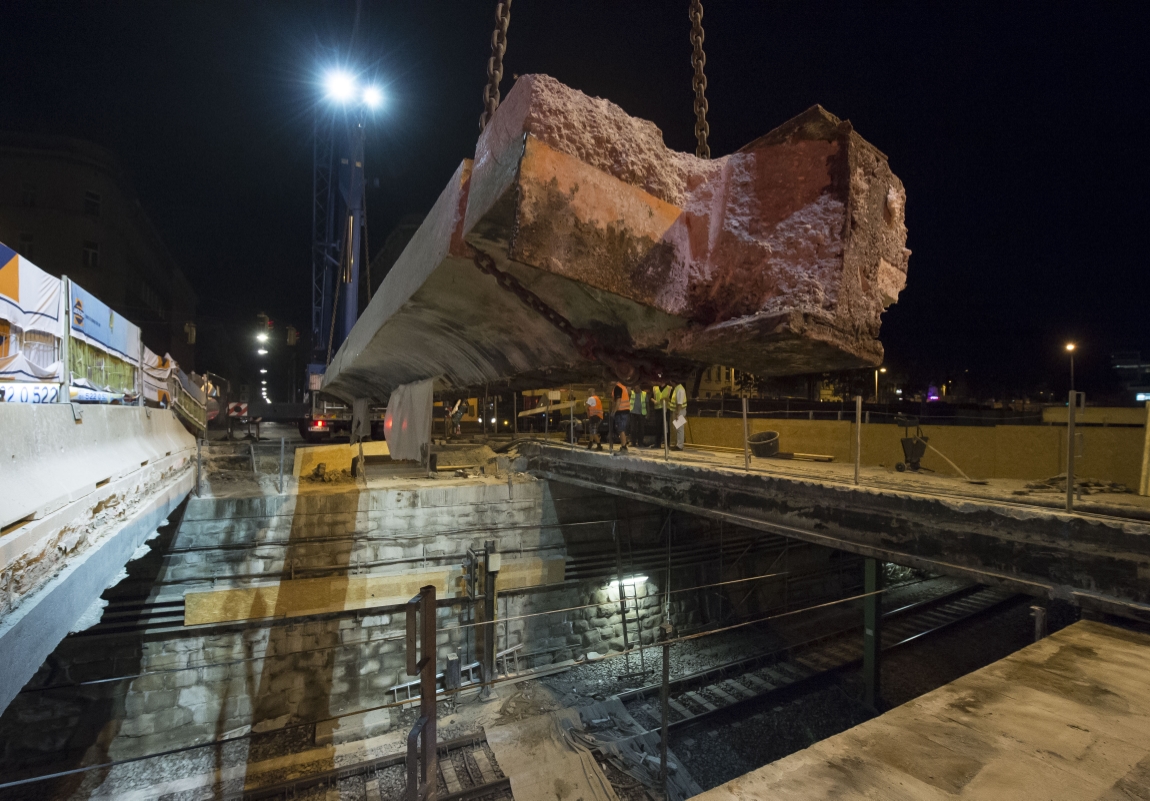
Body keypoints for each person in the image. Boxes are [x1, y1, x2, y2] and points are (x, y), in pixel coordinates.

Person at [611, 382, 630, 452]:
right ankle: (624, 445)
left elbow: (618, 401)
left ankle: (624, 446)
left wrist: (614, 411)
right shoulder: (623, 386)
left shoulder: (618, 388)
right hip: (626, 410)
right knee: (622, 429)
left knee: (620, 429)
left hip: (620, 411)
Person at [650, 384, 670, 448]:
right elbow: (651, 397)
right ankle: (657, 444)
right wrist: (654, 401)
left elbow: (671, 398)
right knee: (658, 427)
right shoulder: (655, 388)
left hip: (666, 409)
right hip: (658, 410)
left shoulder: (669, 388)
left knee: (666, 427)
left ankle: (667, 444)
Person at [671, 381, 688, 450]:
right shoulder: (678, 388)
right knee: (678, 428)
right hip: (679, 411)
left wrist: (677, 414)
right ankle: (678, 444)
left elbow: (679, 403)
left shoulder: (679, 389)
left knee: (680, 429)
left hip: (680, 411)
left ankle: (679, 445)